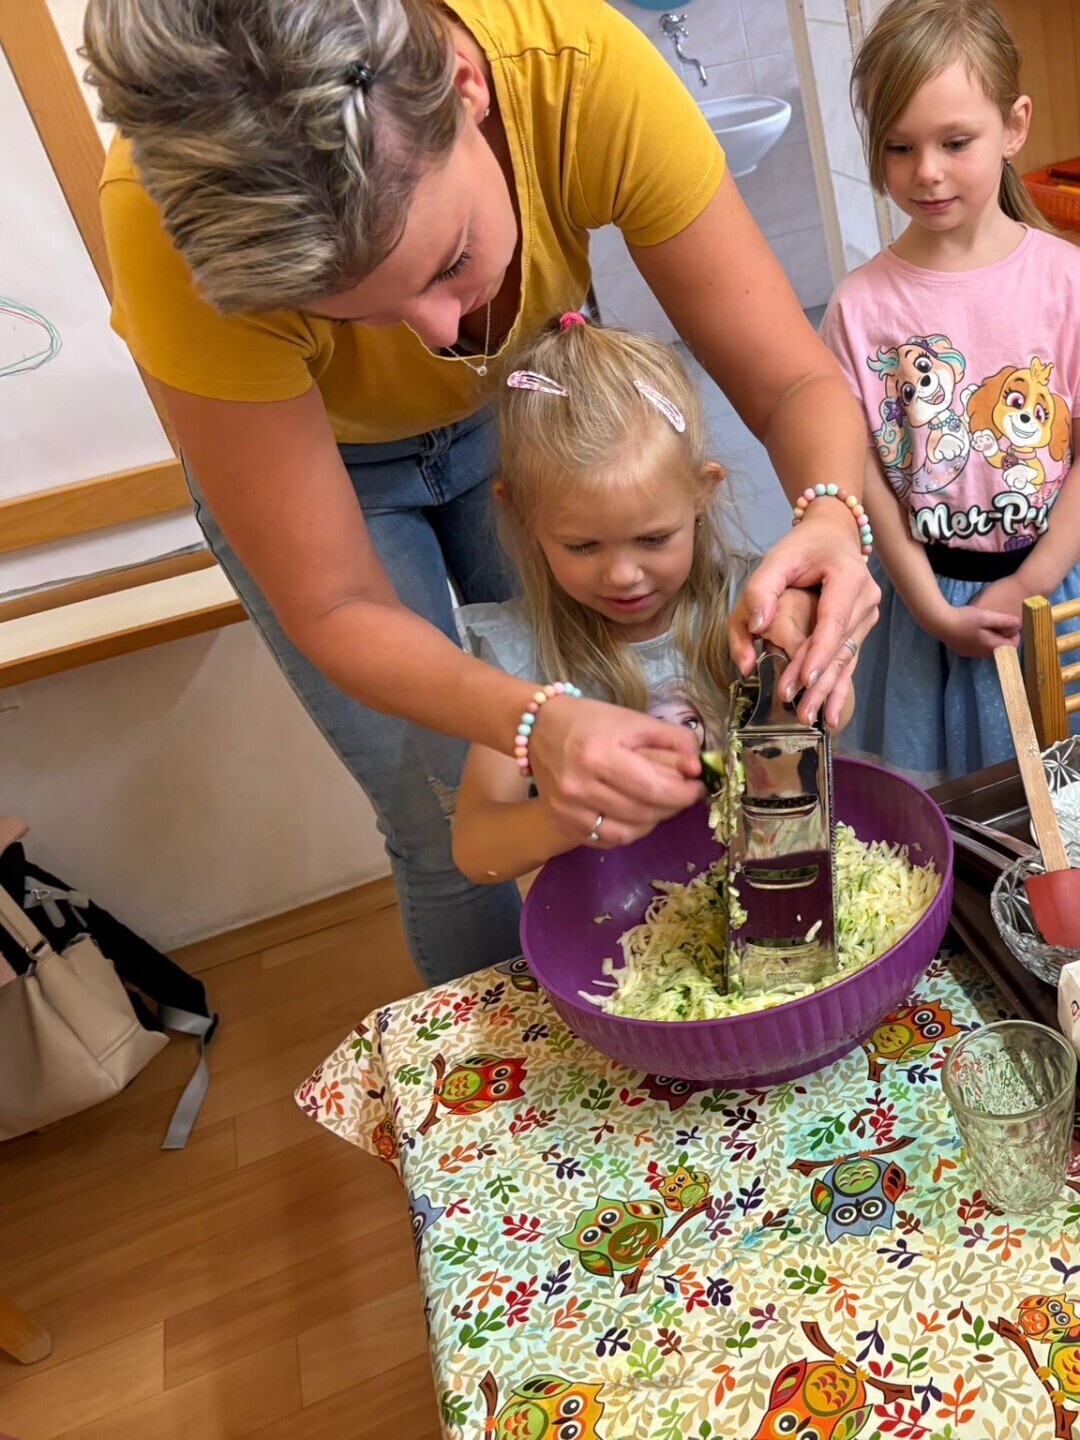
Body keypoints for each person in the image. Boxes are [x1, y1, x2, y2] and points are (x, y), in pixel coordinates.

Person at [83, 0, 880, 984]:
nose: (439, 338)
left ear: (467, 85)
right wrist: (533, 719)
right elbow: (337, 603)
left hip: (534, 421)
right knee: (436, 810)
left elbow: (793, 382)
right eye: (349, 316)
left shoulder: (578, 67)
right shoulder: (169, 221)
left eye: (452, 261)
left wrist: (833, 517)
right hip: (332, 466)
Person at [822, 0, 1080, 786]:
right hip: (918, 604)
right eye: (899, 146)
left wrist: (1029, 584)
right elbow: (864, 474)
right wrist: (931, 607)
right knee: (952, 810)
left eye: (954, 142)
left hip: (1056, 588)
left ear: (1014, 126)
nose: (926, 172)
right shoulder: (859, 307)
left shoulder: (1067, 280)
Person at [451, 315, 823, 880]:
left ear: (702, 494)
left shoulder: (752, 603)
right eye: (582, 546)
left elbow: (829, 724)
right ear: (522, 514)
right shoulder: (522, 657)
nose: (623, 576)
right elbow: (475, 848)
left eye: (653, 539)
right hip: (620, 908)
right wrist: (565, 815)